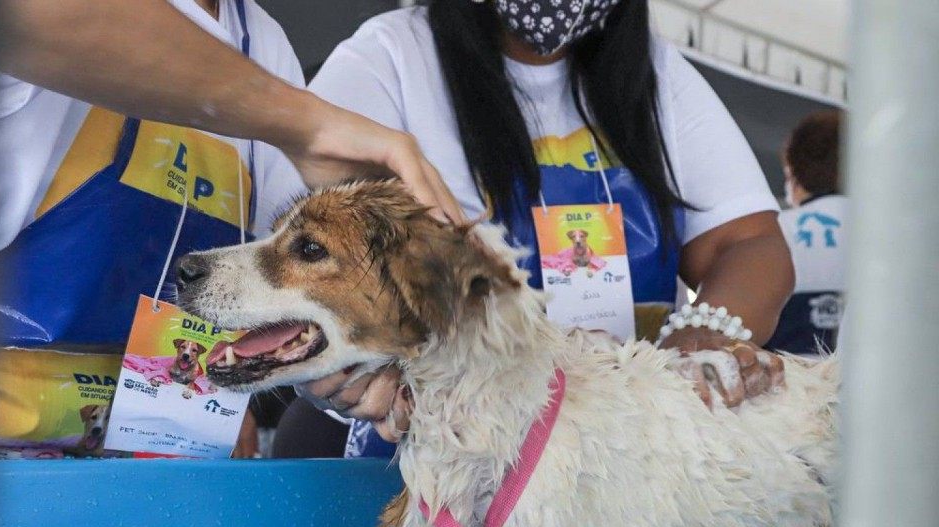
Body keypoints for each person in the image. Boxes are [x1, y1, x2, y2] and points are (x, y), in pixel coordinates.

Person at [287, 0, 795, 457]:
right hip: (440, 460)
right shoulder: (390, 58)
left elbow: (747, 242)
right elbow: (305, 253)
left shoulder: (657, 75)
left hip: (624, 451)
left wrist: (698, 344)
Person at [0, 0, 461, 458]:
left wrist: (348, 363)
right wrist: (306, 124)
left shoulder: (261, 42)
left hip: (174, 479)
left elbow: (301, 296)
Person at [768, 110, 846, 355]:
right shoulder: (891, 233)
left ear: (795, 173)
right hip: (872, 383)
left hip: (790, 380)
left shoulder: (773, 230)